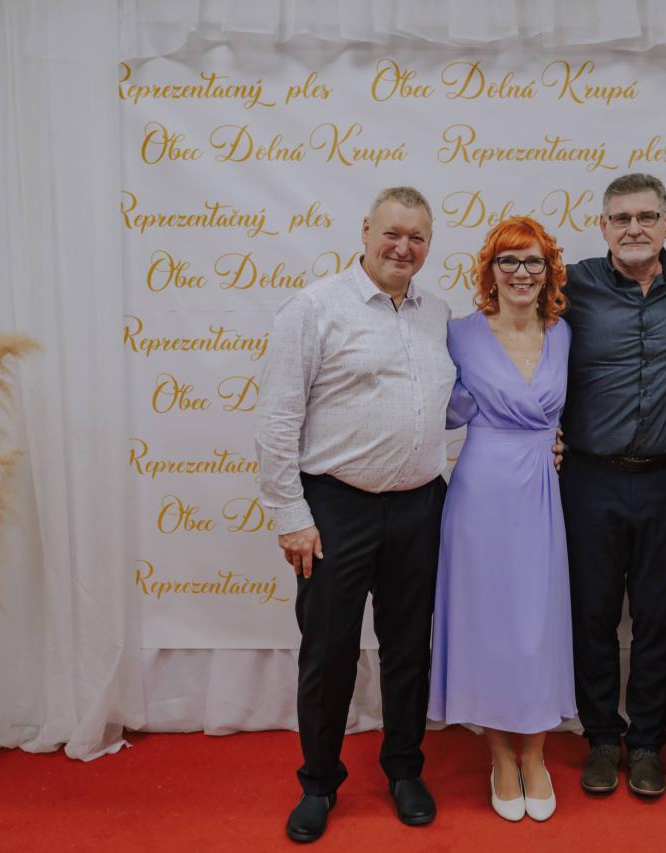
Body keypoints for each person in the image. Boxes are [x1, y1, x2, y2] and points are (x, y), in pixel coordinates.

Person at [254, 186, 455, 843]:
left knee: (409, 648)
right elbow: (277, 418)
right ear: (366, 230)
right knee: (329, 651)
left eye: (417, 237)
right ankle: (318, 781)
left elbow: (445, 403)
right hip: (335, 508)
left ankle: (404, 768)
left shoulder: (437, 313)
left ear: (429, 244)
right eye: (392, 233)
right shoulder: (314, 308)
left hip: (421, 505)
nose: (403, 247)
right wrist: (290, 513)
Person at [560, 173, 666, 797]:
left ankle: (649, 741)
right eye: (621, 218)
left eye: (646, 217)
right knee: (592, 614)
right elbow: (515, 340)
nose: (634, 228)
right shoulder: (570, 284)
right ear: (602, 226)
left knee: (660, 616)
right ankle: (602, 738)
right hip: (588, 479)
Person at [428, 216, 575, 823]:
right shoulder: (458, 334)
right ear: (490, 271)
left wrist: (559, 440)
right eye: (508, 261)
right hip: (480, 494)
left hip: (540, 491)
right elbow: (437, 410)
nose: (520, 273)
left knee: (536, 624)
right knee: (486, 623)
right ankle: (500, 756)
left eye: (533, 261)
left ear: (549, 271)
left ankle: (536, 754)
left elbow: (572, 410)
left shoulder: (563, 334)